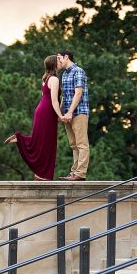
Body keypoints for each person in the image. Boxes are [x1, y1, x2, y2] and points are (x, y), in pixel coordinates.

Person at [4, 55, 61, 180]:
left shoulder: (45, 79)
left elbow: (45, 97)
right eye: (58, 60)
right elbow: (54, 101)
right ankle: (43, 175)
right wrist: (60, 115)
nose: (60, 61)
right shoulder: (55, 79)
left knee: (41, 140)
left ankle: (40, 174)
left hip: (41, 110)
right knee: (47, 143)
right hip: (47, 112)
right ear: (54, 64)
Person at [56, 50, 90, 181]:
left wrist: (70, 112)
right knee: (73, 144)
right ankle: (74, 172)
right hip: (67, 114)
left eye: (59, 58)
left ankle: (80, 173)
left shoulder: (78, 71)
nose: (58, 61)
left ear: (66, 57)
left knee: (82, 143)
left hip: (79, 112)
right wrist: (60, 112)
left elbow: (78, 93)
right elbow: (65, 96)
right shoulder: (64, 74)